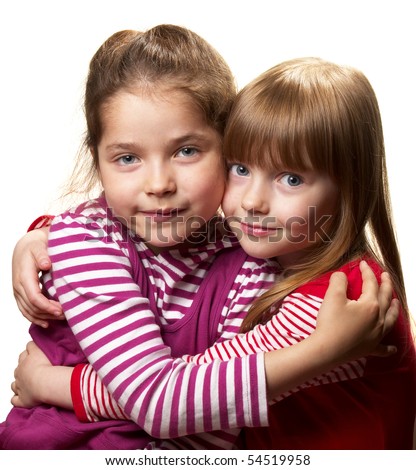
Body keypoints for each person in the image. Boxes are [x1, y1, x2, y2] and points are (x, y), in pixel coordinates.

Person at [5, 48, 404, 450]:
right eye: (242, 169)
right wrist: (45, 236)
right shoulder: (253, 249)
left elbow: (179, 399)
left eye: (292, 179)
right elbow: (99, 229)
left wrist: (53, 383)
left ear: (351, 189)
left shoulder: (340, 307)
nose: (253, 202)